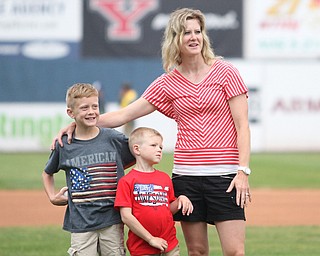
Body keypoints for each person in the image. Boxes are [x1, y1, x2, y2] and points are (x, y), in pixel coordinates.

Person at [55, 8, 252, 256]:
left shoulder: (226, 72)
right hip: (186, 176)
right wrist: (82, 123)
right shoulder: (167, 82)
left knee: (235, 252)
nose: (194, 38)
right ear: (174, 39)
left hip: (224, 176)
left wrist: (243, 170)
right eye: (186, 33)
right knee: (197, 252)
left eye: (198, 32)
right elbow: (124, 114)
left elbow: (242, 125)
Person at [43, 83, 135, 256]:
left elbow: (135, 155)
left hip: (112, 219)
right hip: (81, 222)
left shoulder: (113, 137)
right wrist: (52, 196)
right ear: (71, 113)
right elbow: (47, 172)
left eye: (95, 106)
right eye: (84, 108)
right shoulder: (65, 145)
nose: (91, 111)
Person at [114, 127, 193, 256]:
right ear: (137, 149)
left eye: (161, 147)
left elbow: (167, 210)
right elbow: (126, 216)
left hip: (169, 245)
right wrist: (151, 239)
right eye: (154, 145)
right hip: (142, 247)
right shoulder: (127, 181)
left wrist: (180, 200)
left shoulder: (164, 178)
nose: (159, 150)